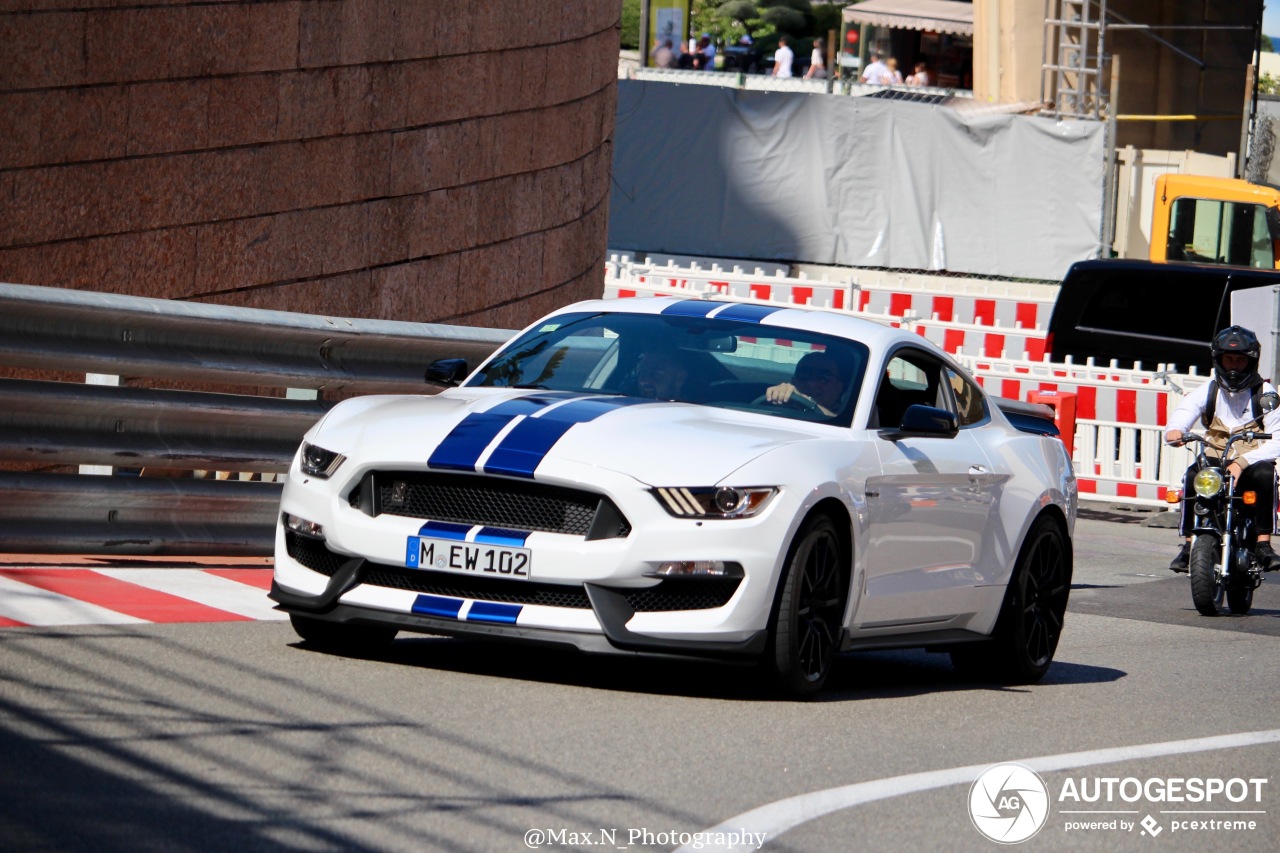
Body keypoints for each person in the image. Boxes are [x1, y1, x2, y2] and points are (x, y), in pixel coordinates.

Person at [1164, 325, 1280, 572]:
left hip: (1252, 460)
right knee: (1193, 475)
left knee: (1266, 476)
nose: (1234, 367)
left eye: (1240, 360)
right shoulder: (1209, 389)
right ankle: (1188, 545)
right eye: (1229, 360)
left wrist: (1242, 462)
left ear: (1251, 362)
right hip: (1216, 456)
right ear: (1219, 360)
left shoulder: (1266, 394)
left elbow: (1278, 439)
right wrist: (1175, 431)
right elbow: (1184, 412)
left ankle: (1263, 544)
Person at [764, 351, 847, 416]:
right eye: (804, 376)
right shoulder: (783, 406)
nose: (811, 383)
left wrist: (808, 403)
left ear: (838, 388)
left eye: (823, 378)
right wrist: (776, 397)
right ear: (793, 382)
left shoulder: (853, 416)